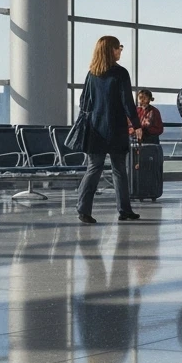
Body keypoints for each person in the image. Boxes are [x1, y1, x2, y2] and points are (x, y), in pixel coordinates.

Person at [76, 36, 140, 225]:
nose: (120, 51)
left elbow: (83, 102)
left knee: (94, 168)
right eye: (118, 47)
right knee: (119, 169)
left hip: (96, 129)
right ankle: (124, 210)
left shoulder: (92, 73)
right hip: (116, 128)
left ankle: (83, 209)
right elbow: (127, 102)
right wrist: (136, 125)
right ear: (110, 50)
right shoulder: (120, 73)